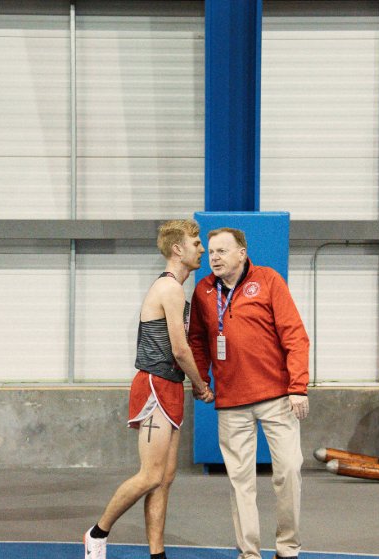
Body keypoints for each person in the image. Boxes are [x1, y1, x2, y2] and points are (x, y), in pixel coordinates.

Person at [83, 219, 214, 559]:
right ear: (177, 249)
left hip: (170, 385)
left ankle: (157, 554)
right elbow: (180, 349)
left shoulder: (178, 289)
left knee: (165, 477)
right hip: (155, 383)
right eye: (196, 242)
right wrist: (200, 386)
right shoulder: (169, 288)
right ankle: (97, 533)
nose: (202, 249)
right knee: (150, 474)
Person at [188, 227, 310, 559]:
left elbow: (295, 336)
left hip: (277, 399)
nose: (214, 258)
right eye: (211, 252)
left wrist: (298, 387)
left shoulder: (268, 280)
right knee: (241, 482)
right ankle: (249, 553)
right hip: (231, 404)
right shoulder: (203, 291)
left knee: (288, 472)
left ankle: (287, 549)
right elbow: (197, 341)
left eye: (222, 251)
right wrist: (201, 382)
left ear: (242, 253)